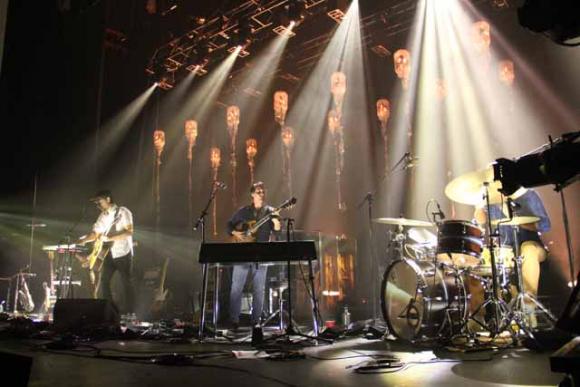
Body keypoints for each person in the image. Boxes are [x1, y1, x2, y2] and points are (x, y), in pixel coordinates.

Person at [474, 188, 551, 318]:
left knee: (528, 249)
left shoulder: (527, 194)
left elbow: (545, 224)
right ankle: (478, 318)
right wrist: (478, 206)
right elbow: (479, 222)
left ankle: (528, 307)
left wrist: (517, 220)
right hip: (504, 250)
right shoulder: (488, 201)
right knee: (474, 262)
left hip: (532, 245)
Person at [227, 181, 281, 328]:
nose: (262, 194)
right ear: (252, 194)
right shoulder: (243, 211)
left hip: (261, 253)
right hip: (243, 252)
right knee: (236, 287)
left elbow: (277, 231)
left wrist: (276, 220)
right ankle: (234, 320)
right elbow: (229, 225)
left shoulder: (270, 210)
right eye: (258, 192)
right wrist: (236, 234)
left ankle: (256, 320)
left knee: (259, 288)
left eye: (263, 191)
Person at [78, 190, 135, 314]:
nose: (97, 203)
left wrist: (110, 238)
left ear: (108, 199)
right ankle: (110, 310)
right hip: (108, 253)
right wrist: (83, 240)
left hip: (123, 253)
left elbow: (129, 232)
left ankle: (131, 312)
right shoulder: (102, 216)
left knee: (126, 282)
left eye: (99, 200)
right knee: (104, 281)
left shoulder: (123, 212)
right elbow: (95, 233)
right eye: (96, 202)